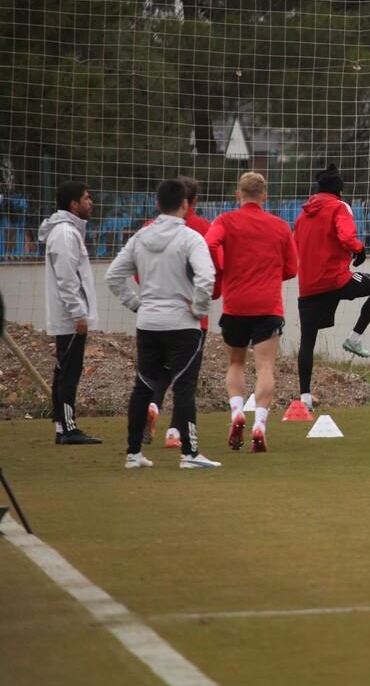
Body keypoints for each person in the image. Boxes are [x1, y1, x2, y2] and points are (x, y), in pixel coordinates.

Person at [106, 179, 221, 468]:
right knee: (184, 386)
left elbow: (113, 276)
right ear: (185, 204)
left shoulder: (140, 237)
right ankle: (190, 454)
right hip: (182, 324)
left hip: (149, 323)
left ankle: (133, 454)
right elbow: (207, 278)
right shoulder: (191, 238)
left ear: (157, 205)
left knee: (143, 386)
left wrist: (137, 304)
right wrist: (199, 309)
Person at [206, 172, 298, 453]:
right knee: (265, 368)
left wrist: (222, 271)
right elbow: (292, 269)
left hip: (235, 305)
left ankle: (236, 413)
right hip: (268, 306)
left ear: (238, 195)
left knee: (235, 364)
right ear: (264, 196)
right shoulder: (280, 226)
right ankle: (260, 423)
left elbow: (209, 244)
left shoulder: (225, 221)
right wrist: (269, 274)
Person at [294, 164, 370, 412]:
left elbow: (296, 247)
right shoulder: (339, 207)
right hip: (337, 280)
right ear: (339, 188)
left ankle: (304, 397)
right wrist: (359, 249)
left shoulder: (302, 216)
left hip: (308, 287)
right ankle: (354, 338)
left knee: (307, 340)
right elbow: (347, 238)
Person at [138, 176, 213, 448]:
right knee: (186, 380)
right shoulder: (202, 229)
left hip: (152, 315)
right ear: (192, 201)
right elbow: (214, 270)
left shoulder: (147, 230)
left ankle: (154, 407)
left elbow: (133, 269)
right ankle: (175, 433)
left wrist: (145, 294)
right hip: (191, 317)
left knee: (159, 371)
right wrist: (205, 302)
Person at [38, 181, 102, 444]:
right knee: (68, 373)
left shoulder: (68, 231)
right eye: (87, 198)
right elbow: (67, 278)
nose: (91, 202)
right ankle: (67, 428)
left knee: (65, 370)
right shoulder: (65, 234)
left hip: (68, 316)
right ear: (74, 204)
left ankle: (63, 428)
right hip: (70, 317)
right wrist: (79, 313)